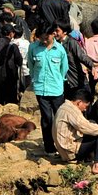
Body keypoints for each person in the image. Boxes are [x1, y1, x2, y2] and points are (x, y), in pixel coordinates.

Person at [54, 86, 98, 172]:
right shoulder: (71, 111)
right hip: (70, 152)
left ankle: (90, 158)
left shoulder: (64, 106)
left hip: (65, 149)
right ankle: (97, 165)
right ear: (79, 102)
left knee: (93, 123)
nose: (85, 109)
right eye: (86, 106)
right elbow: (85, 127)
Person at [28, 24, 68, 154]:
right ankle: (49, 147)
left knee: (59, 119)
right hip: (41, 89)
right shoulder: (33, 48)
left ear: (53, 35)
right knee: (46, 119)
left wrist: (58, 81)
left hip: (56, 90)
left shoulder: (60, 50)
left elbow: (64, 69)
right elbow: (31, 66)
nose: (44, 41)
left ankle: (61, 145)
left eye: (47, 38)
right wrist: (36, 80)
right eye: (42, 39)